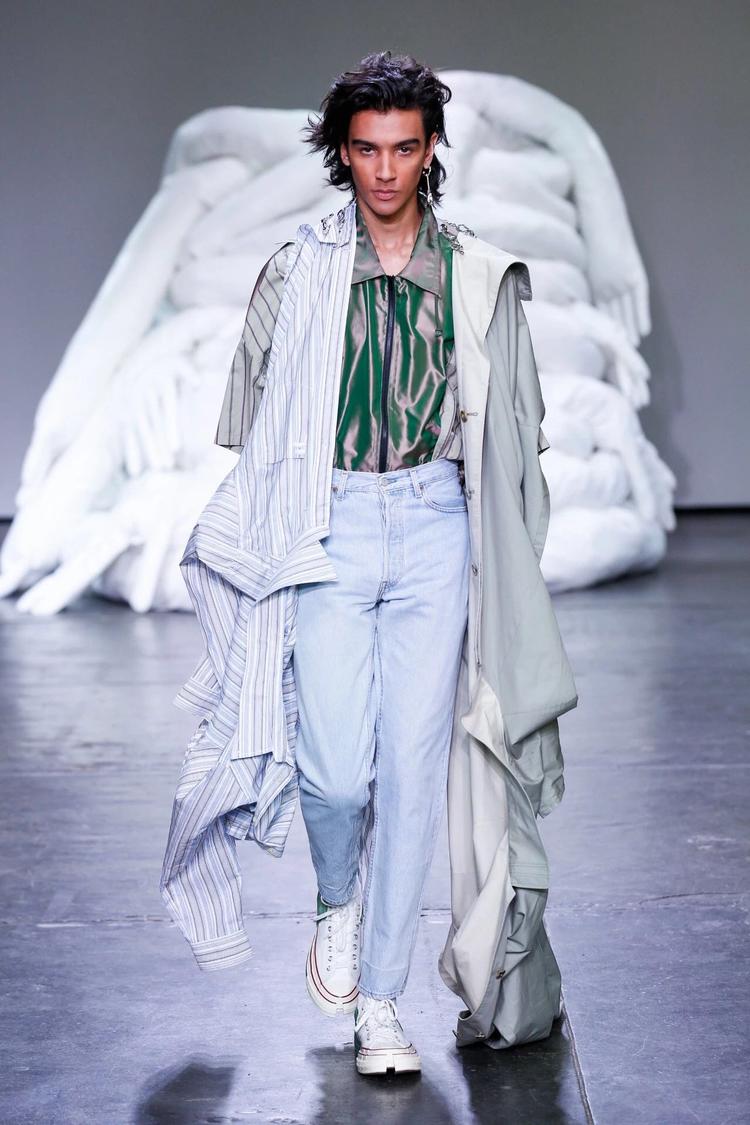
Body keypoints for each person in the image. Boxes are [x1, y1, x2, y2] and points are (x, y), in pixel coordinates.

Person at [160, 49, 577, 1078]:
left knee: (417, 768)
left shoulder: (476, 275)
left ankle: (381, 1002)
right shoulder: (295, 272)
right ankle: (335, 902)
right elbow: (251, 426)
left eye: (403, 148)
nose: (385, 169)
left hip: (435, 520)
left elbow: (515, 431)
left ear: (430, 150)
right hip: (332, 522)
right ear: (340, 153)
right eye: (365, 149)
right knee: (339, 771)